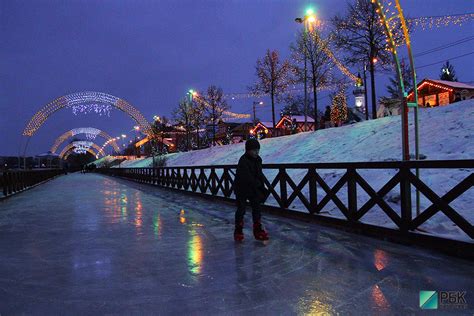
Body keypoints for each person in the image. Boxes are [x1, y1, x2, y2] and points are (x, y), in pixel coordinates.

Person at [233, 138, 269, 241]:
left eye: (257, 150)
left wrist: (262, 186)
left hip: (253, 187)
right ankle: (238, 230)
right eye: (254, 150)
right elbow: (246, 177)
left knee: (257, 208)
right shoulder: (243, 160)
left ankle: (258, 229)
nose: (256, 152)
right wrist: (257, 184)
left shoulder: (258, 160)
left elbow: (259, 174)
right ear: (248, 150)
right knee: (241, 209)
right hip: (242, 188)